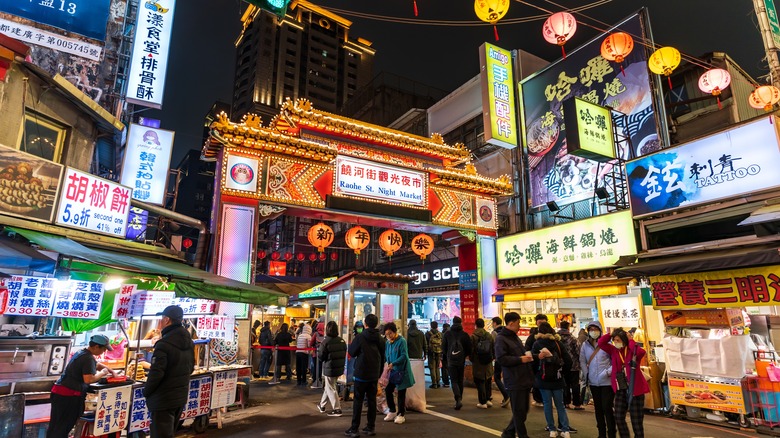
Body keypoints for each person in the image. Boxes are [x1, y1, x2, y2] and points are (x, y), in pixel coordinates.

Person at [47, 335, 117, 438]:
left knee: (56, 426)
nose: (103, 352)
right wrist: (102, 373)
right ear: (96, 347)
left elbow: (96, 365)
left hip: (60, 393)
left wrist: (110, 370)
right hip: (68, 396)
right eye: (103, 349)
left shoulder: (82, 353)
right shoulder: (87, 358)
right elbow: (89, 379)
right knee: (62, 427)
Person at [144, 305, 195, 438]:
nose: (160, 321)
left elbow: (157, 373)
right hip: (179, 397)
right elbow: (191, 368)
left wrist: (146, 391)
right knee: (169, 433)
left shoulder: (163, 344)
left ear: (167, 320)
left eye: (161, 318)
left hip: (162, 399)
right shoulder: (189, 342)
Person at [495, 312, 545, 438]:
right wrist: (520, 360)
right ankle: (522, 435)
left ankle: (509, 432)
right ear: (511, 323)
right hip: (514, 379)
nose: (519, 326)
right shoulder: (501, 339)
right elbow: (501, 359)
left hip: (525, 378)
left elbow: (523, 354)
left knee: (524, 411)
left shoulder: (515, 337)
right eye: (518, 323)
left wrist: (536, 356)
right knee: (519, 412)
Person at [598, 328, 650, 438]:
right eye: (614, 340)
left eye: (618, 340)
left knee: (636, 421)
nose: (616, 343)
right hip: (620, 388)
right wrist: (611, 334)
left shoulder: (632, 351)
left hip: (635, 389)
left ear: (624, 340)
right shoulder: (613, 350)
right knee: (618, 416)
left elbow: (641, 352)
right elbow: (601, 343)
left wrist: (630, 340)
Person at [346, 314, 385, 438]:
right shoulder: (380, 338)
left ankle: (354, 428)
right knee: (372, 401)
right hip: (374, 374)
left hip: (361, 374)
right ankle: (370, 427)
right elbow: (383, 355)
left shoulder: (360, 337)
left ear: (365, 324)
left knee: (358, 400)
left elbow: (352, 352)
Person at [532, 321, 573, 438]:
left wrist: (536, 374)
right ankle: (565, 430)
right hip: (558, 379)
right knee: (560, 405)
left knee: (547, 404)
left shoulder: (536, 344)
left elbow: (533, 362)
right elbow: (568, 361)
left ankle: (552, 430)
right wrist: (562, 372)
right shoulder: (558, 343)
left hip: (543, 379)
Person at [580, 321, 616, 438]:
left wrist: (607, 372)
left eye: (595, 329)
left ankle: (611, 433)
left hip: (607, 382)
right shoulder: (585, 345)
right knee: (598, 409)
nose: (593, 331)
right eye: (591, 329)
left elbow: (615, 361)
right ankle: (601, 434)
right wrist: (586, 374)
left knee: (607, 407)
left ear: (600, 330)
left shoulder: (608, 344)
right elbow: (582, 360)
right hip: (593, 382)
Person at [383, 321, 415, 424]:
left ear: (395, 332)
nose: (388, 336)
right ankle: (392, 411)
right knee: (388, 390)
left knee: (401, 393)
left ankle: (401, 414)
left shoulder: (402, 341)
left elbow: (404, 356)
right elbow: (386, 354)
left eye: (390, 334)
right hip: (393, 371)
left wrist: (394, 363)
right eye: (386, 334)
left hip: (402, 371)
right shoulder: (388, 342)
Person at [441, 316, 472, 410]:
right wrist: (463, 355)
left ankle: (457, 399)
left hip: (451, 361)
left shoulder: (447, 334)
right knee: (460, 380)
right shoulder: (465, 334)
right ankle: (460, 399)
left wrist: (448, 356)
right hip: (461, 361)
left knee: (453, 380)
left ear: (452, 322)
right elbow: (469, 349)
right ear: (461, 323)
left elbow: (443, 348)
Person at [318, 321, 347, 417]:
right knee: (329, 387)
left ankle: (337, 409)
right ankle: (322, 405)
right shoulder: (342, 341)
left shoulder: (325, 342)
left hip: (329, 368)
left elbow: (321, 356)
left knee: (331, 388)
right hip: (339, 368)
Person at [558, 320, 583, 410]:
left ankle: (566, 403)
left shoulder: (557, 339)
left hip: (562, 366)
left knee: (565, 385)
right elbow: (578, 351)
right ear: (568, 327)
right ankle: (577, 404)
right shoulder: (573, 339)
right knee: (575, 385)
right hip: (574, 366)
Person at [471, 318, 494, 408]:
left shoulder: (473, 336)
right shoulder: (489, 335)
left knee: (479, 380)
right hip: (488, 361)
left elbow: (471, 350)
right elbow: (493, 347)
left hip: (478, 362)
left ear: (475, 325)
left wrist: (472, 359)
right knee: (488, 380)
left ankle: (482, 402)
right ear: (484, 325)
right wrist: (492, 357)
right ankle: (488, 399)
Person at [525, 313, 548, 407]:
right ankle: (538, 399)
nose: (541, 325)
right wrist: (534, 357)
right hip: (536, 363)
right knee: (537, 381)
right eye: (540, 322)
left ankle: (545, 399)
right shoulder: (532, 336)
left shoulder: (552, 336)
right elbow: (527, 349)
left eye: (543, 323)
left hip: (548, 363)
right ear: (536, 323)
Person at [491, 316, 510, 407]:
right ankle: (506, 396)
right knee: (506, 376)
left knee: (497, 377)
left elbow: (493, 346)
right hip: (508, 357)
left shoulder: (494, 333)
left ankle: (506, 395)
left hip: (499, 358)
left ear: (494, 323)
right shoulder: (506, 331)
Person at [425, 320, 443, 388]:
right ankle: (438, 382)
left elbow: (426, 344)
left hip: (431, 353)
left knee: (432, 367)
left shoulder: (428, 334)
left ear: (431, 326)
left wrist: (426, 353)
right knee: (437, 367)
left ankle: (434, 383)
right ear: (437, 326)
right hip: (438, 352)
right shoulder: (440, 334)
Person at [441, 322, 451, 388]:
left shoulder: (443, 334)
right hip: (452, 354)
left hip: (445, 354)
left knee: (444, 368)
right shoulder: (452, 334)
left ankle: (446, 382)